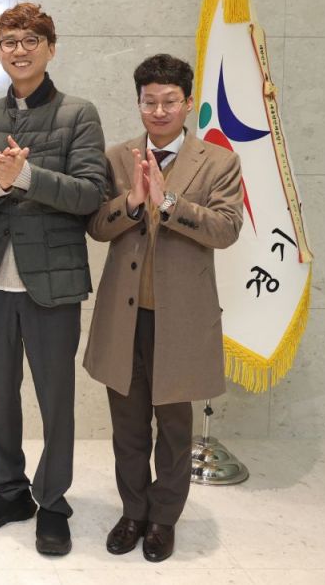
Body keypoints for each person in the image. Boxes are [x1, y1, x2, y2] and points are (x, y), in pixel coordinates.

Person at [0, 3, 107, 556]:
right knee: (1, 396)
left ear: (51, 48)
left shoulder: (79, 113)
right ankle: (11, 491)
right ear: (0, 51)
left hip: (54, 282)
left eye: (30, 40)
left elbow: (90, 194)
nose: (19, 50)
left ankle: (54, 502)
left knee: (55, 398)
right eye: (9, 41)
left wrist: (27, 176)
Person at [84, 53, 243, 562]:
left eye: (169, 101)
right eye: (149, 101)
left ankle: (163, 519)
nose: (158, 111)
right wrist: (133, 201)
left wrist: (168, 202)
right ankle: (133, 512)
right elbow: (96, 226)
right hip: (124, 316)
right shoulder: (118, 157)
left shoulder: (218, 161)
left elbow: (226, 230)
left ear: (188, 103)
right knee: (127, 425)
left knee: (174, 429)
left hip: (182, 320)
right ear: (138, 103)